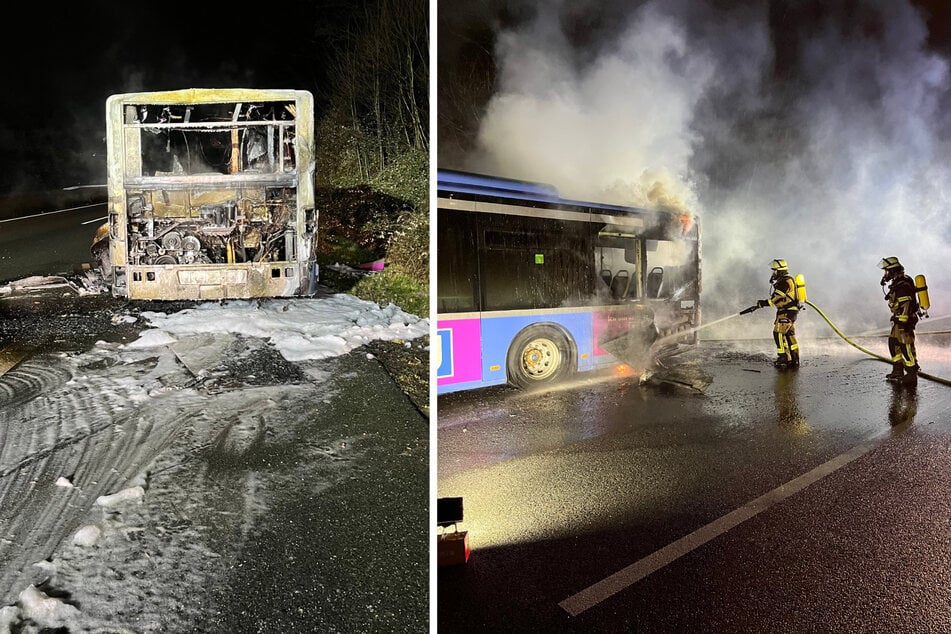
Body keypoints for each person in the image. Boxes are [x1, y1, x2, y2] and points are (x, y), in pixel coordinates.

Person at [879, 257, 920, 385]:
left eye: (886, 271)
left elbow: (906, 304)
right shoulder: (899, 282)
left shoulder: (903, 284)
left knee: (905, 345)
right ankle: (898, 370)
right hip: (899, 319)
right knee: (893, 342)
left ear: (893, 270)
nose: (885, 274)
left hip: (904, 320)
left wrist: (902, 321)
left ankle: (911, 373)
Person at [755, 259, 801, 368]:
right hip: (789, 313)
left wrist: (762, 303)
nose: (773, 273)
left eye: (774, 271)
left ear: (780, 271)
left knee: (778, 334)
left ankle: (783, 358)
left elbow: (774, 300)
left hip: (786, 313)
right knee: (790, 335)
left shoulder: (785, 282)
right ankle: (794, 359)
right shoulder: (787, 280)